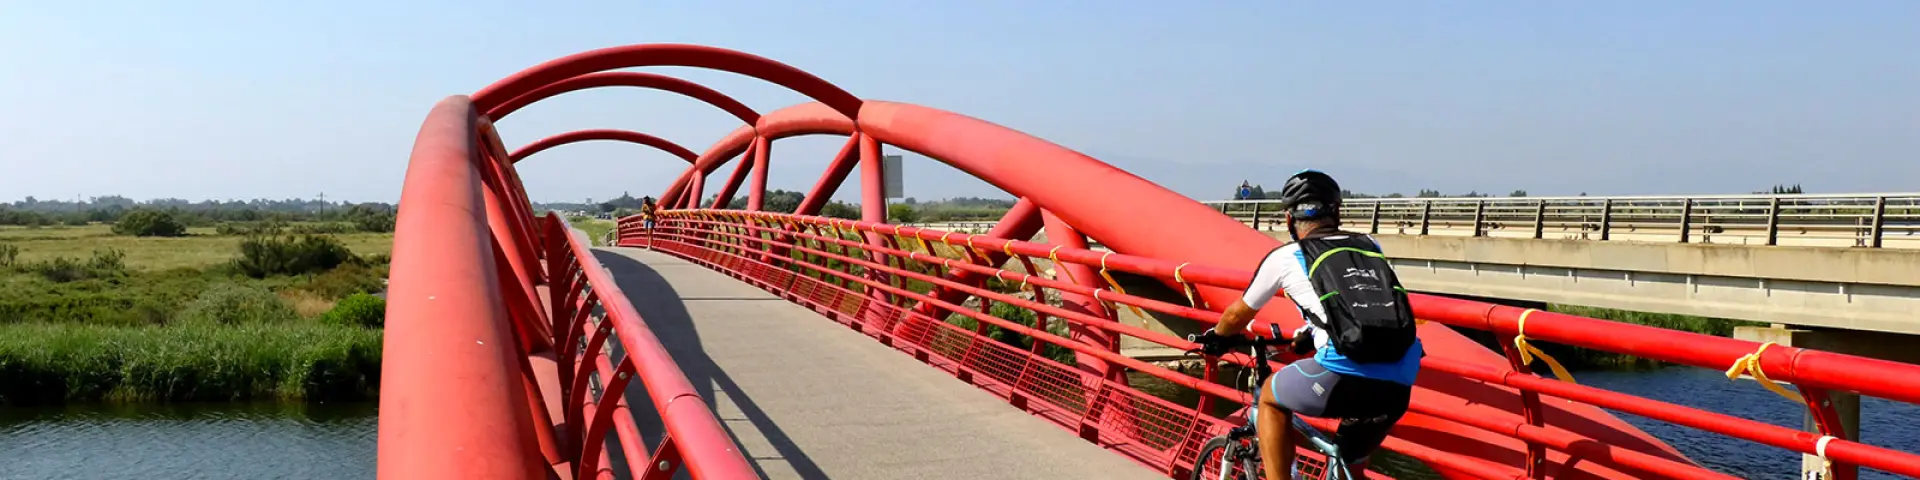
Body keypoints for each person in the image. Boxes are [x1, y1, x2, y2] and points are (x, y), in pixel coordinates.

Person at [1195, 169, 1422, 480]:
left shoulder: (1286, 256)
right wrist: (1309, 334)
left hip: (1343, 372)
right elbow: (1353, 306)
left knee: (1270, 399)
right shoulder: (1369, 246)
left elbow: (1237, 314)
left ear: (1290, 219)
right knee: (1347, 462)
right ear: (1337, 211)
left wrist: (1217, 338)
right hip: (1400, 377)